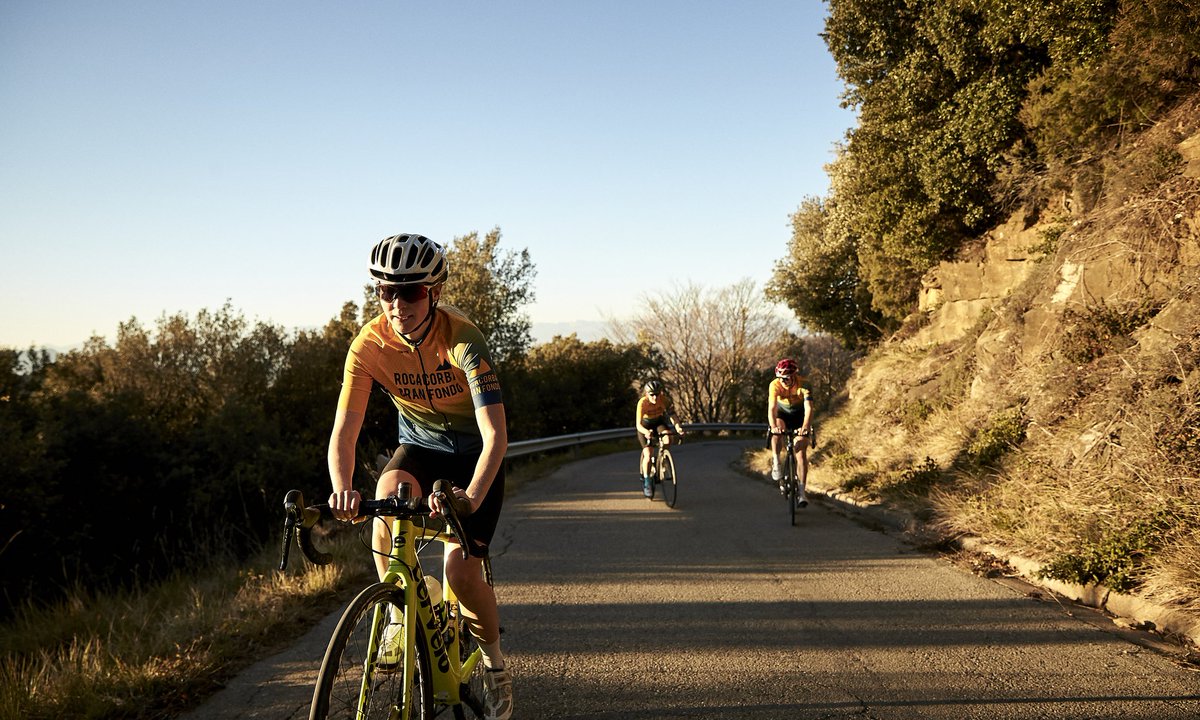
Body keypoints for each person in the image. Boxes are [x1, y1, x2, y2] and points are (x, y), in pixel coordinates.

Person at [327, 233, 513, 720]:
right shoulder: (369, 344)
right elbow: (344, 431)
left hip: (473, 455)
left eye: (409, 292)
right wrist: (343, 488)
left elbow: (496, 436)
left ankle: (495, 669)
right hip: (421, 448)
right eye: (386, 292)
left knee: (461, 572)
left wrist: (471, 496)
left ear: (434, 291)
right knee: (386, 498)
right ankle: (396, 608)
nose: (396, 304)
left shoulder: (463, 339)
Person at [768, 358, 813, 506]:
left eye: (787, 378)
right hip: (783, 415)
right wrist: (773, 425)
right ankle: (776, 462)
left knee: (800, 452)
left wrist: (805, 427)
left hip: (800, 416)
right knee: (776, 433)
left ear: (794, 376)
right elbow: (772, 408)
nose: (784, 381)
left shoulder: (804, 384)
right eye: (781, 378)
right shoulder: (774, 385)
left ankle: (801, 493)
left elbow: (808, 409)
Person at [635, 379, 684, 498]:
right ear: (647, 394)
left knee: (668, 437)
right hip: (645, 425)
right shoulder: (642, 403)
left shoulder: (664, 400)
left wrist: (678, 428)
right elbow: (638, 425)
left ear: (661, 393)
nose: (655, 397)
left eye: (657, 394)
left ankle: (663, 458)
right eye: (652, 394)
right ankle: (647, 482)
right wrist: (646, 432)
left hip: (659, 422)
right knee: (648, 453)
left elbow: (673, 416)